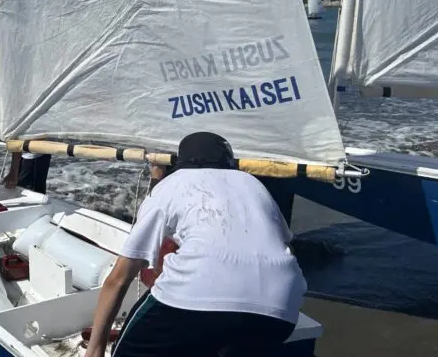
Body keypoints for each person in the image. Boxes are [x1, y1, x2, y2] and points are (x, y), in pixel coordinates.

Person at [84, 132, 305, 357]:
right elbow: (285, 243)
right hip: (280, 309)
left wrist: (95, 349)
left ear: (181, 163)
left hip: (193, 299)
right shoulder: (254, 184)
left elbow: (119, 278)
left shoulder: (172, 184)